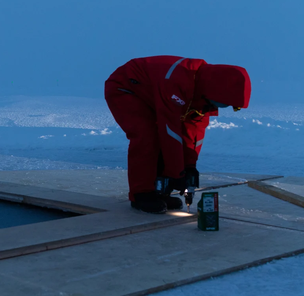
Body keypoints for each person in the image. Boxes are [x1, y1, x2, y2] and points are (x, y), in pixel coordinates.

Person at [105, 55, 251, 214]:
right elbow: (170, 131)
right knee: (147, 138)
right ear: (216, 91)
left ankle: (160, 191)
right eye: (224, 103)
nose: (224, 107)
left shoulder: (202, 93)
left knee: (167, 142)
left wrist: (189, 166)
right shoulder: (176, 82)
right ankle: (141, 194)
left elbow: (194, 133)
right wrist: (177, 173)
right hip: (127, 89)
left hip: (154, 94)